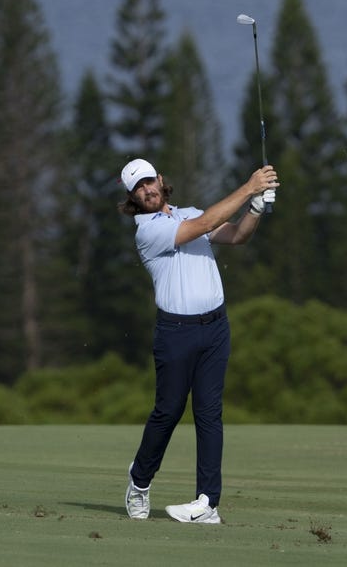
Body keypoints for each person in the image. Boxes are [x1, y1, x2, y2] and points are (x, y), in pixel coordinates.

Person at [119, 157, 279, 524]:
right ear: (132, 197)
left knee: (209, 414)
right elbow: (205, 224)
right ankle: (139, 480)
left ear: (160, 179)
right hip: (175, 333)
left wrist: (255, 207)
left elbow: (237, 235)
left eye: (149, 182)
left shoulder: (188, 212)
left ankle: (208, 502)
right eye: (138, 188)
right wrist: (250, 187)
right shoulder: (148, 230)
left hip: (215, 329)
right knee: (168, 411)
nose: (147, 190)